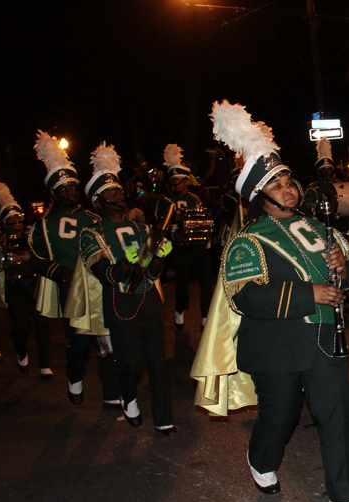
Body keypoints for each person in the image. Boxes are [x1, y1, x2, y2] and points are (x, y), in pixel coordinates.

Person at [206, 100, 349, 502]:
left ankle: (342, 492)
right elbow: (246, 296)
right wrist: (307, 294)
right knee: (279, 418)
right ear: (259, 196)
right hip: (276, 346)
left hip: (325, 340)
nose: (289, 188)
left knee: (337, 414)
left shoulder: (319, 228)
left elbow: (345, 283)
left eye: (289, 180)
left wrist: (343, 268)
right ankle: (261, 459)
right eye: (277, 184)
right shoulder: (249, 240)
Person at [80, 143, 175, 434]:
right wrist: (125, 263)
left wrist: (159, 256)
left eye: (119, 191)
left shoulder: (141, 228)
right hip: (119, 305)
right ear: (98, 200)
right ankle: (127, 393)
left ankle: (163, 419)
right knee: (133, 364)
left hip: (148, 301)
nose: (118, 195)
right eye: (110, 193)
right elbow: (105, 275)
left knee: (158, 365)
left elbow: (156, 272)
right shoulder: (91, 233)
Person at [30, 130, 120, 407]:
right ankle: (75, 378)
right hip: (70, 293)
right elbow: (36, 259)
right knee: (79, 346)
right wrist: (63, 273)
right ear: (53, 193)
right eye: (63, 189)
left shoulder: (94, 218)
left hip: (100, 289)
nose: (70, 192)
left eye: (72, 186)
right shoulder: (43, 225)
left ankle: (110, 395)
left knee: (107, 346)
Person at [0, 182, 53, 377]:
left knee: (43, 328)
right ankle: (21, 353)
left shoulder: (33, 239)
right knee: (20, 328)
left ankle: (45, 365)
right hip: (15, 289)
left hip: (35, 286)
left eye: (18, 220)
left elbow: (47, 257)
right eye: (12, 221)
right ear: (4, 223)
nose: (17, 224)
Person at [156, 144, 214, 329]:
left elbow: (202, 218)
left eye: (180, 180)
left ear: (187, 180)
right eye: (174, 181)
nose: (177, 184)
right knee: (182, 283)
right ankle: (180, 310)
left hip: (198, 246)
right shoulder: (165, 201)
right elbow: (159, 224)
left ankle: (205, 315)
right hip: (180, 247)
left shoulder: (195, 199)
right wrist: (170, 228)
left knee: (206, 282)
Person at [302, 138, 339, 216]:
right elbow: (309, 212)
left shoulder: (338, 185)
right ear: (319, 172)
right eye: (324, 170)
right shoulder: (313, 189)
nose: (327, 173)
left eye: (329, 169)